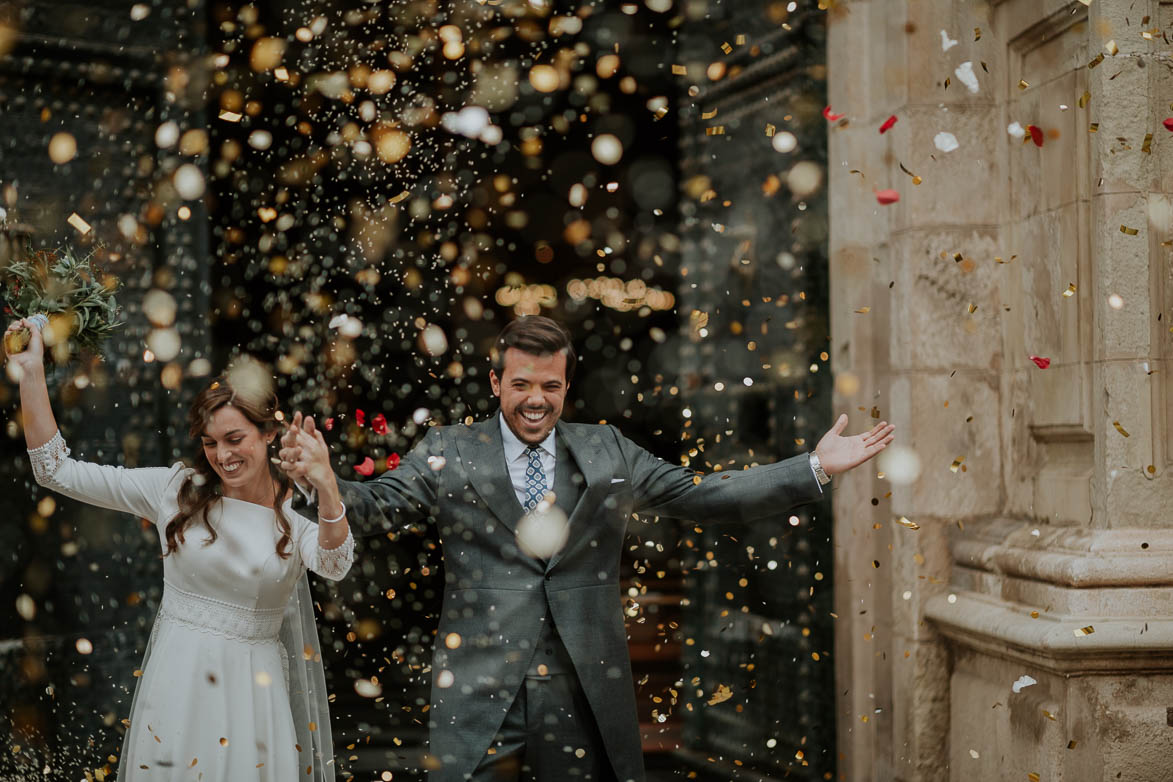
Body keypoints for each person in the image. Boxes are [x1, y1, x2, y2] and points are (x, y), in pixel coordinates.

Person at [279, 315, 894, 782]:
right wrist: (326, 482)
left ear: (567, 385)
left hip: (581, 685)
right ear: (496, 382)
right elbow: (382, 503)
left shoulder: (608, 451)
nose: (535, 399)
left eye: (550, 385)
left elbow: (703, 494)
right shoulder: (451, 450)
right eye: (520, 384)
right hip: (479, 682)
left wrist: (812, 466)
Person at [5, 317, 354, 782]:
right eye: (210, 442)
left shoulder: (295, 517)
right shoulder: (175, 490)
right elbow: (55, 471)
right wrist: (30, 373)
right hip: (177, 685)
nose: (222, 455)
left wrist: (327, 486)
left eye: (235, 439)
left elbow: (334, 563)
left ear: (269, 433)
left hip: (253, 696)